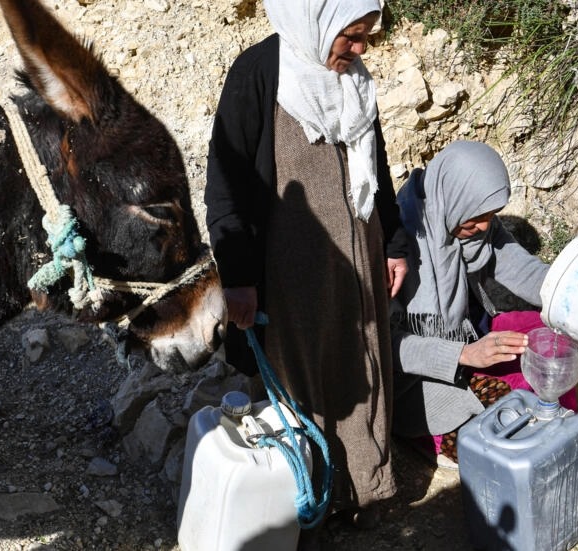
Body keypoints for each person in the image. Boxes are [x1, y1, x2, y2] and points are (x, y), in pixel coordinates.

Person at [203, 0, 409, 535]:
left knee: (364, 361)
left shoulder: (355, 81)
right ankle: (310, 497)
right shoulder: (258, 75)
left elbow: (377, 168)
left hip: (360, 253)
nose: (360, 50)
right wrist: (240, 278)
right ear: (316, 20)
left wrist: (394, 242)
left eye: (365, 37)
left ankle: (366, 485)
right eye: (352, 36)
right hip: (292, 270)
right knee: (306, 376)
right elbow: (226, 186)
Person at [389, 140, 576, 467]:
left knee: (549, 336)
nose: (485, 226)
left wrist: (569, 294)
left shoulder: (463, 215)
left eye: (491, 216)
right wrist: (463, 354)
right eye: (479, 217)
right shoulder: (397, 244)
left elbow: (518, 265)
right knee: (495, 443)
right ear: (455, 196)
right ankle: (429, 437)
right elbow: (384, 346)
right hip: (411, 382)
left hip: (463, 348)